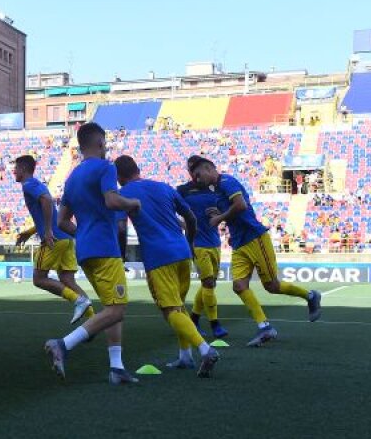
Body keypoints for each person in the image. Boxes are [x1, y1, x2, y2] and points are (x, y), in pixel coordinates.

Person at [43, 123, 141, 385]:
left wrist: (83, 234)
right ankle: (63, 344)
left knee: (111, 307)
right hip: (105, 248)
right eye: (105, 142)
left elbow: (62, 221)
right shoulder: (106, 167)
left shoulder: (71, 178)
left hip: (85, 249)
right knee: (117, 309)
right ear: (99, 142)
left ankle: (116, 367)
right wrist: (133, 203)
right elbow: (111, 201)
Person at [190, 156, 321, 346]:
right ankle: (264, 327)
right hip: (239, 243)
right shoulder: (217, 190)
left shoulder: (227, 181)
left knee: (272, 286)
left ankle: (310, 296)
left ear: (208, 168)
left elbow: (241, 206)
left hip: (255, 238)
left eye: (198, 175)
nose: (197, 179)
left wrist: (220, 218)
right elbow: (232, 211)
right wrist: (220, 215)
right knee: (239, 286)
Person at [115, 156, 220, 377]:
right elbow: (190, 217)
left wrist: (121, 257)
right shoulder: (163, 187)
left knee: (170, 310)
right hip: (182, 251)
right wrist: (190, 243)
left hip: (158, 257)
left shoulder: (122, 195)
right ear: (138, 169)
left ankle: (205, 349)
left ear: (118, 177)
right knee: (180, 307)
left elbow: (121, 229)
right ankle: (185, 356)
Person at [12, 155, 92, 324]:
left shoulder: (28, 185)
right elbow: (47, 209)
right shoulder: (38, 184)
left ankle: (79, 301)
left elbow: (47, 200)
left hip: (53, 239)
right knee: (67, 280)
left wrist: (47, 230)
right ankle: (92, 320)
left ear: (24, 169)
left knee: (39, 279)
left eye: (16, 168)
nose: (14, 171)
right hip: (66, 238)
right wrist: (30, 231)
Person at [177, 156, 228, 339]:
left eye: (195, 169)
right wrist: (185, 226)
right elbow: (169, 210)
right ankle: (215, 324)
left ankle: (194, 319)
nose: (193, 173)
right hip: (196, 243)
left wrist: (220, 214)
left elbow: (224, 209)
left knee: (209, 284)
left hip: (215, 242)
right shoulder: (183, 190)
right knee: (208, 283)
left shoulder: (213, 187)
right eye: (190, 169)